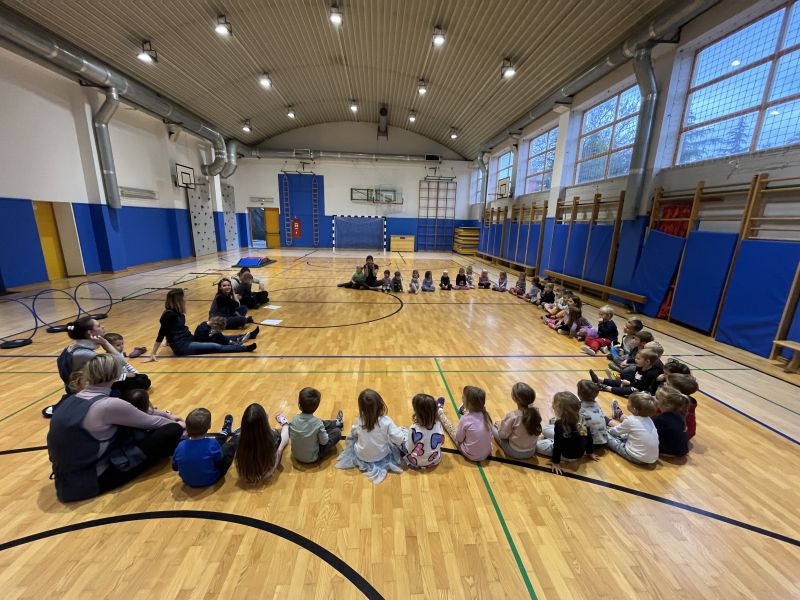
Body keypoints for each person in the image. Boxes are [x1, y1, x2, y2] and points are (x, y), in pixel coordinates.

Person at [47, 354, 184, 502]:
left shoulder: (72, 398)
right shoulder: (108, 405)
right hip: (92, 481)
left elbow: (137, 411)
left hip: (65, 481)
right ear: (117, 374)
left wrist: (167, 414)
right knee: (171, 431)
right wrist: (181, 424)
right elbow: (154, 422)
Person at [45, 317, 148, 418]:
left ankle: (71, 400)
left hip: (77, 386)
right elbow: (121, 363)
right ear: (90, 333)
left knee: (139, 379)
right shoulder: (85, 354)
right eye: (99, 326)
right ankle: (69, 403)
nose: (103, 327)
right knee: (141, 381)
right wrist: (106, 343)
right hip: (84, 391)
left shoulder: (72, 348)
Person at [148, 289, 257, 361]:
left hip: (189, 339)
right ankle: (244, 348)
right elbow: (161, 333)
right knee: (215, 346)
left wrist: (168, 340)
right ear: (177, 300)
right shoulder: (169, 315)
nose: (184, 300)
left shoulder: (176, 312)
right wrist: (153, 352)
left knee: (215, 337)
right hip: (182, 347)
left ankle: (249, 335)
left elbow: (172, 329)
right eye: (183, 298)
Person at [336, 389, 405, 484]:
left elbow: (353, 434)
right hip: (382, 455)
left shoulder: (359, 421)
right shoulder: (386, 421)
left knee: (355, 438)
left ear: (361, 408)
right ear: (380, 404)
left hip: (361, 455)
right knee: (391, 437)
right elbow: (399, 439)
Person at [172, 408, 239, 487]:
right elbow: (219, 460)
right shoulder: (211, 444)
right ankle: (237, 436)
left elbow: (175, 467)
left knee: (213, 445)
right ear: (209, 426)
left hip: (187, 481)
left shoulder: (180, 445)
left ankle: (225, 432)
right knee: (227, 447)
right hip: (212, 479)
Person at [536, 391, 598, 474]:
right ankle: (550, 440)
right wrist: (590, 452)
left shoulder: (559, 424)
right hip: (579, 452)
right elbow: (589, 437)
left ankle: (549, 441)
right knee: (547, 430)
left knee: (538, 446)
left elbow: (557, 445)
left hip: (566, 455)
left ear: (559, 409)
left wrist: (556, 462)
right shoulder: (582, 418)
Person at [235, 403, 290, 484]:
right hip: (267, 472)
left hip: (245, 473)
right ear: (265, 422)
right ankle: (285, 424)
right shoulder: (273, 436)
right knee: (280, 446)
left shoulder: (238, 439)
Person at [436, 386, 492, 462]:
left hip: (469, 454)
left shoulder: (465, 419)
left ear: (468, 403)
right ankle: (464, 410)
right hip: (486, 453)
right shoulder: (487, 416)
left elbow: (459, 438)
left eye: (463, 397)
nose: (462, 398)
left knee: (451, 428)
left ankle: (439, 412)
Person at [289, 387, 344, 464]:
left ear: (299, 405)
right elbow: (324, 442)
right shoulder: (317, 423)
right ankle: (338, 423)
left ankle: (336, 422)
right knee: (337, 432)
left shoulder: (293, 419)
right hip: (313, 457)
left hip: (296, 456)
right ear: (316, 407)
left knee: (320, 423)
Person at [605, 391, 659, 465]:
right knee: (624, 435)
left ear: (634, 409)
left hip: (636, 457)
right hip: (652, 458)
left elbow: (615, 431)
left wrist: (607, 430)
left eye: (629, 402)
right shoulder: (649, 419)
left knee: (604, 434)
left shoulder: (630, 420)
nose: (628, 402)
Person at [492, 382, 542, 460]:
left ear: (514, 398)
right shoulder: (536, 412)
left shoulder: (513, 416)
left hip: (515, 452)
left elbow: (503, 435)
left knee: (493, 427)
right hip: (531, 451)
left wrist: (500, 426)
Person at [591, 348, 660, 397]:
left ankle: (606, 388)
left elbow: (641, 386)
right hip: (633, 384)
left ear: (647, 362)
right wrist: (625, 381)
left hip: (641, 391)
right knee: (620, 382)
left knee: (631, 390)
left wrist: (629, 383)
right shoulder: (640, 367)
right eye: (636, 358)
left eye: (638, 359)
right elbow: (633, 375)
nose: (635, 360)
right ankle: (600, 379)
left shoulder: (651, 374)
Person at [402, 393, 445, 469]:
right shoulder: (438, 423)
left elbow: (409, 449)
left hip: (417, 461)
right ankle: (440, 407)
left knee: (401, 433)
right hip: (434, 459)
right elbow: (442, 442)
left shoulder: (414, 429)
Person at [652, 386, 690, 457]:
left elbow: (650, 434)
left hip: (668, 451)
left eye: (657, 398)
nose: (653, 397)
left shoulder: (662, 419)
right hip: (681, 451)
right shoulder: (679, 415)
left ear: (668, 405)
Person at [666, 372, 700, 440]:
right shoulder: (687, 400)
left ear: (676, 390)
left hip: (677, 437)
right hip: (687, 434)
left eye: (667, 384)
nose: (664, 384)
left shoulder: (675, 404)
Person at [576, 379, 608, 446]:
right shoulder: (597, 404)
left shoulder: (579, 408)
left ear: (579, 394)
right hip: (604, 440)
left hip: (589, 444)